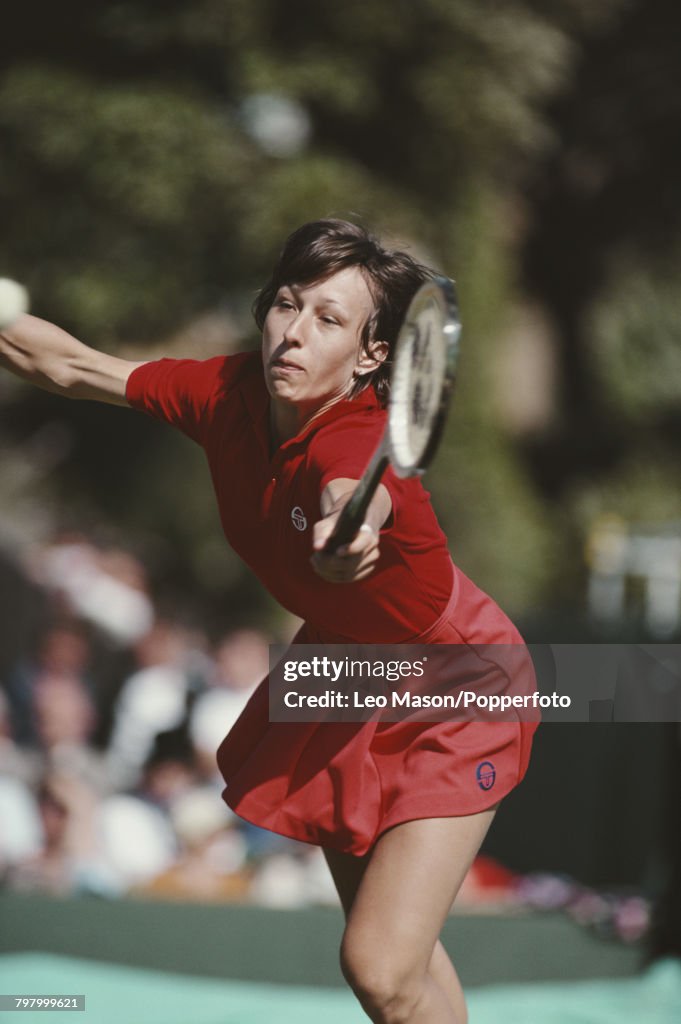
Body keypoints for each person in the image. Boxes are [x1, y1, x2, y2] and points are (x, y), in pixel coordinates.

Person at [0, 219, 538, 1023]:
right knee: (398, 966)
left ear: (370, 356)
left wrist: (346, 531)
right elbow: (71, 365)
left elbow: (353, 494)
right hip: (344, 675)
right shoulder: (224, 398)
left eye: (329, 319)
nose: (293, 332)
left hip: (457, 683)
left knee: (378, 964)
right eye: (287, 304)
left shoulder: (356, 440)